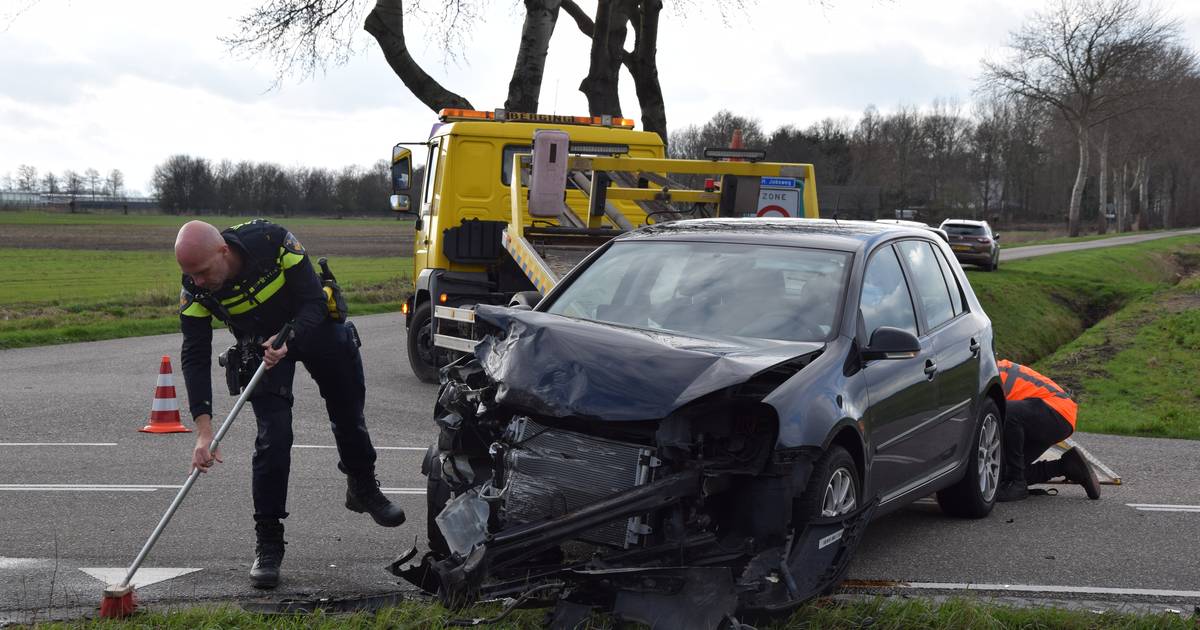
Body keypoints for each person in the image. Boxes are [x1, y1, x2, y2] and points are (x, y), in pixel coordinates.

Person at [174, 219, 405, 589]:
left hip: (309, 327)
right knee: (274, 437)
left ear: (223, 251)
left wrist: (289, 338)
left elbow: (313, 300)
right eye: (190, 275)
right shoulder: (195, 288)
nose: (197, 282)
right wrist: (203, 430)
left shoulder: (273, 240)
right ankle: (268, 541)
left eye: (201, 272)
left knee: (348, 411)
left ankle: (362, 486)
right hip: (260, 348)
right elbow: (195, 355)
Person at [995, 359, 1101, 502]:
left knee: (1006, 411)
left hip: (1054, 410)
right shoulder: (989, 369)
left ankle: (1017, 483)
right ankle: (1066, 466)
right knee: (995, 476)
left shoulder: (990, 373)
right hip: (1047, 418)